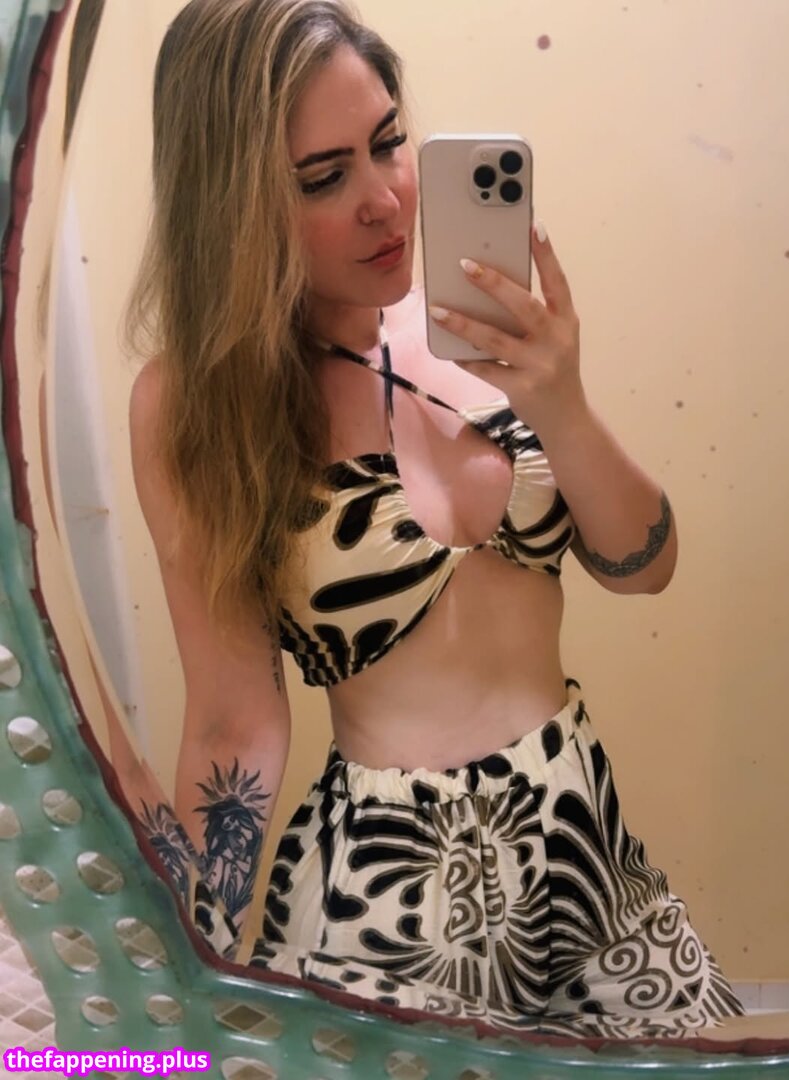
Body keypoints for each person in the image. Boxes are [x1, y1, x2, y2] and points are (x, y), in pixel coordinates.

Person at [126, 0, 742, 1038]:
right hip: (391, 894)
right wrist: (186, 971)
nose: (385, 199)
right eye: (323, 178)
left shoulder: (481, 316)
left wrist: (562, 401)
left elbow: (646, 566)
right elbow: (236, 722)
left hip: (585, 848)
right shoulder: (197, 402)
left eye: (389, 143)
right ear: (231, 208)